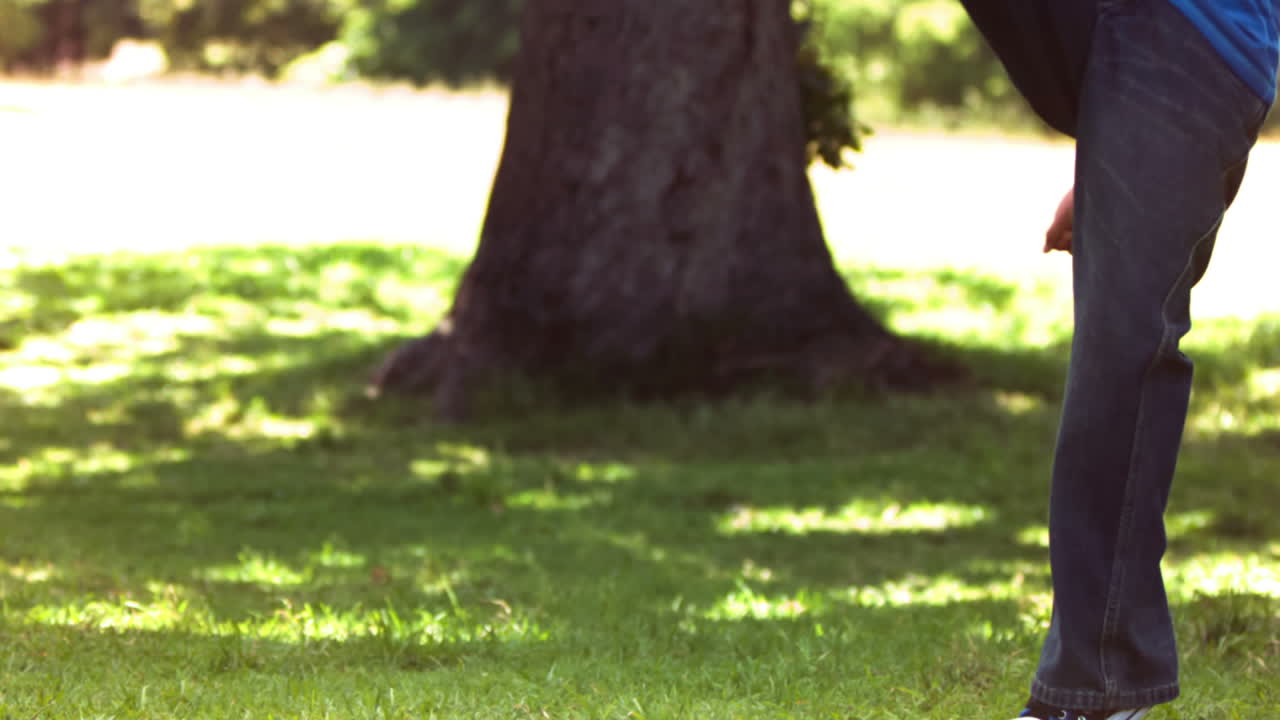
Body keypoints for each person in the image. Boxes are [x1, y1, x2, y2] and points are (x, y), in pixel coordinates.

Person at [956, 0, 1279, 718]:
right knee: (1119, 357)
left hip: (1188, 39)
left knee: (1120, 361)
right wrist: (1111, 141)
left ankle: (1102, 684)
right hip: (1142, 50)